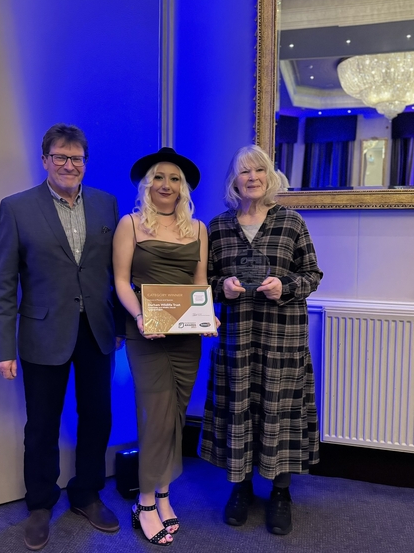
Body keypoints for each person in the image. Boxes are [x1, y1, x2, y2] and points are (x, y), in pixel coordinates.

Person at [0, 123, 124, 551]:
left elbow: (114, 273)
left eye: (77, 158)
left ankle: (86, 493)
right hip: (42, 332)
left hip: (98, 331)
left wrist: (125, 325)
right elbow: (4, 283)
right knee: (42, 425)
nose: (69, 165)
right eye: (60, 158)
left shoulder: (107, 205)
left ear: (86, 162)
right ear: (45, 160)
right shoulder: (16, 207)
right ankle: (41, 504)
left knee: (98, 417)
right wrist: (2, 346)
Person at [199, 144, 322, 536]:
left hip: (282, 339)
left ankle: (282, 492)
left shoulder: (291, 222)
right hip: (237, 338)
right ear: (234, 180)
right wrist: (225, 288)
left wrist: (284, 285)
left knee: (279, 413)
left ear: (270, 177)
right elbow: (205, 282)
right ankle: (241, 488)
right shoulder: (217, 227)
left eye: (259, 171)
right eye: (243, 172)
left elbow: (313, 275)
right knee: (239, 410)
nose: (251, 178)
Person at [113, 147, 216, 546]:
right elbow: (121, 280)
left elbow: (199, 283)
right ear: (147, 184)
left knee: (176, 411)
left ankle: (164, 493)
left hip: (186, 335)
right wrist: (140, 316)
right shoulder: (131, 224)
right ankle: (143, 502)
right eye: (159, 177)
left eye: (174, 179)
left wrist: (208, 315)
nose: (166, 185)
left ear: (183, 187)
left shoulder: (198, 229)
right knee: (155, 414)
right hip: (146, 332)